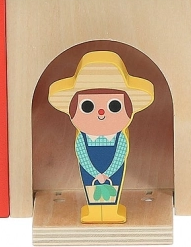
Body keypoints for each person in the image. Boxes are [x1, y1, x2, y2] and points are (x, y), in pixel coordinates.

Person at [48, 51, 154, 223]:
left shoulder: (119, 137)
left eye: (114, 105)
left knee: (114, 188)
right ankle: (94, 212)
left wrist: (107, 173)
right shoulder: (83, 138)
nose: (101, 112)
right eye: (87, 106)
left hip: (114, 169)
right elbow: (82, 155)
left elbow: (121, 154)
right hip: (90, 170)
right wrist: (96, 174)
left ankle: (112, 211)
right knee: (91, 188)